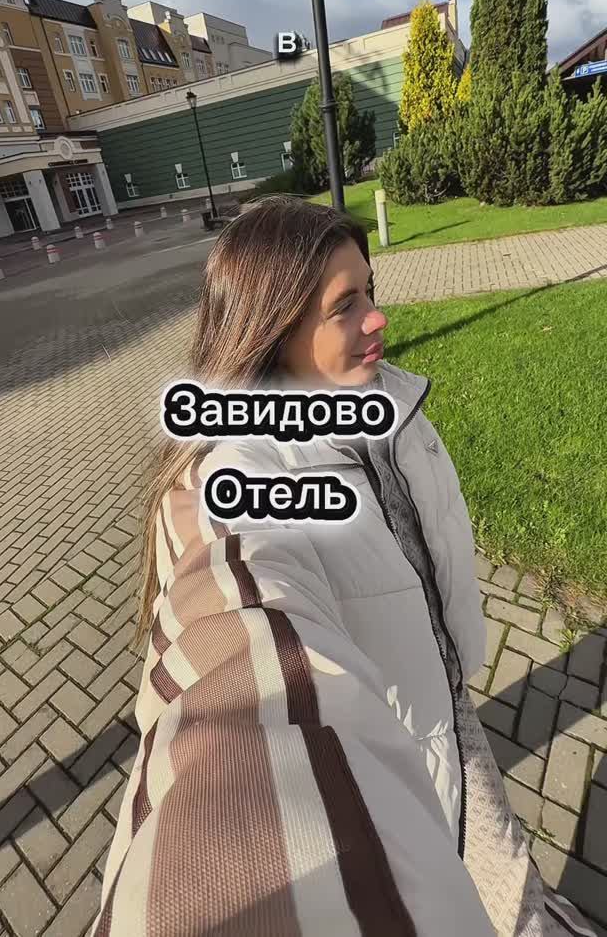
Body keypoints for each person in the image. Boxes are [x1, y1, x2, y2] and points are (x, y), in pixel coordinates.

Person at [94, 196, 592, 936]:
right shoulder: (244, 470)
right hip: (387, 744)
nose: (377, 318)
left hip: (444, 701)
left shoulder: (385, 401)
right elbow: (234, 617)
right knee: (514, 903)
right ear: (274, 329)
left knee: (504, 882)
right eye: (344, 305)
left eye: (371, 290)